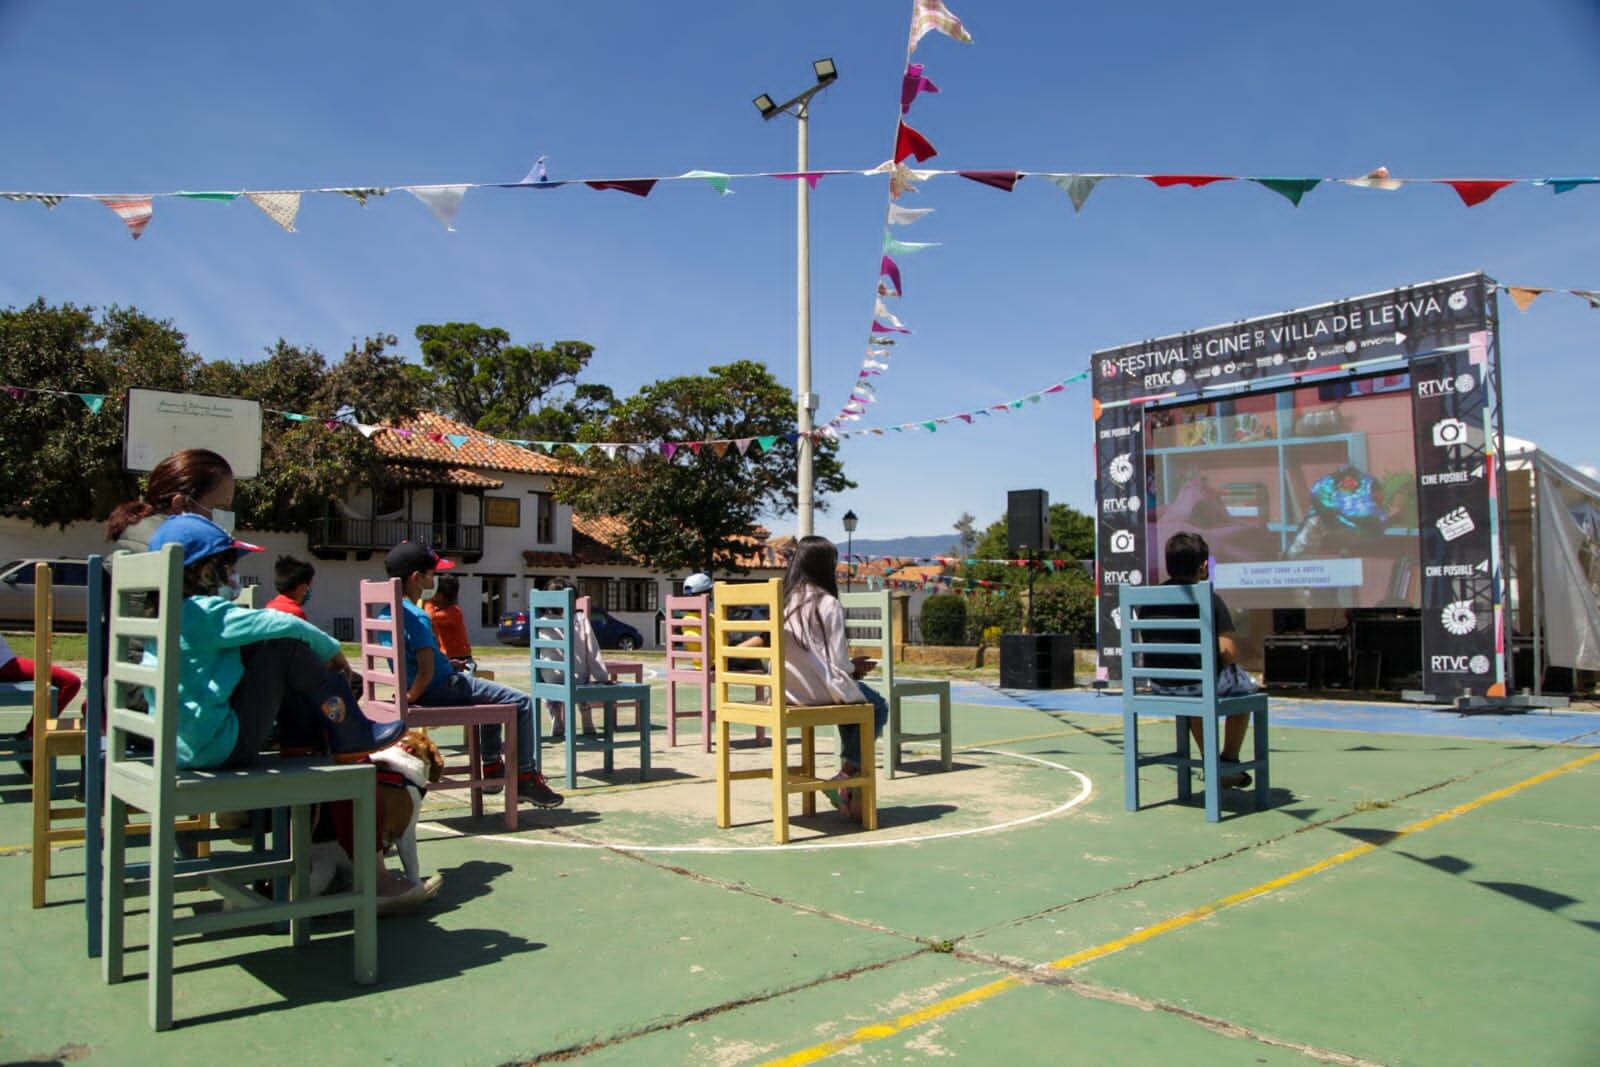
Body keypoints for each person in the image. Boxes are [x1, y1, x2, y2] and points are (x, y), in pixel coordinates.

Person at [145, 515, 403, 769]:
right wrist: (331, 648)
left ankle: (300, 738)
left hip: (177, 747)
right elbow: (284, 623)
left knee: (264, 645)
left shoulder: (166, 614)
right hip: (216, 749)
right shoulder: (203, 613)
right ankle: (351, 734)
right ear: (206, 573)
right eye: (230, 568)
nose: (234, 576)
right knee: (283, 645)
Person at [383, 542, 563, 808]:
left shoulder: (386, 611)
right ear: (416, 578)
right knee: (522, 702)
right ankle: (525, 777)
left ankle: (492, 768)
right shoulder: (417, 616)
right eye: (431, 574)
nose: (434, 581)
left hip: (430, 685)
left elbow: (416, 661)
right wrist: (410, 697)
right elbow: (426, 670)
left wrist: (444, 665)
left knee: (489, 695)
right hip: (439, 689)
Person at [780, 536, 888, 819]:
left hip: (787, 692)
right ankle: (845, 775)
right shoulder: (827, 603)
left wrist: (848, 669)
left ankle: (846, 779)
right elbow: (838, 662)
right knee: (876, 706)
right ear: (824, 567)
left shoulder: (787, 599)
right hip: (817, 693)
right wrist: (854, 667)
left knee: (853, 703)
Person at [1142, 530, 1259, 788]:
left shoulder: (1147, 600)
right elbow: (1228, 652)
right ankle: (1227, 762)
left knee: (1197, 689)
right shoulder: (1208, 598)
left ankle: (1210, 760)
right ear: (1204, 566)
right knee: (1246, 690)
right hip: (1198, 687)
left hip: (1161, 686)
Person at [106, 448, 238, 556]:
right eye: (220, 507)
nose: (226, 516)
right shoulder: (184, 560)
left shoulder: (138, 547)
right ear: (181, 505)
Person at [1, 630, 84, 780]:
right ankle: (31, 736)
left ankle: (30, 735)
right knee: (70, 682)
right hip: (5, 664)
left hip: (7, 662)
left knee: (70, 682)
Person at [536, 578, 612, 740]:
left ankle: (555, 715)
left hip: (550, 679)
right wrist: (602, 677)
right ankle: (586, 718)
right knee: (580, 677)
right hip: (577, 679)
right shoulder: (579, 619)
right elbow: (592, 650)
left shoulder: (540, 622)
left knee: (548, 681)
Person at [424, 574, 474, 669]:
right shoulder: (438, 611)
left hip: (462, 659)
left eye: (433, 592)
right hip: (447, 658)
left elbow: (430, 618)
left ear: (440, 596)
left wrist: (427, 600)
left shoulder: (454, 612)